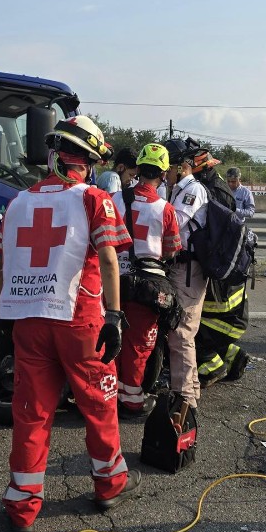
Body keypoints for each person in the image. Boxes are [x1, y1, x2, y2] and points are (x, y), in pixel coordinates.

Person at [0, 115, 141, 532]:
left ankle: (22, 505)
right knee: (98, 405)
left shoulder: (17, 201)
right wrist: (114, 316)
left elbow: (4, 264)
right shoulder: (94, 199)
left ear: (54, 154)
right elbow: (110, 259)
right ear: (89, 160)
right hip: (80, 321)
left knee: (31, 412)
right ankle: (110, 483)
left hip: (29, 320)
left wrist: (10, 314)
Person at [111, 143, 181, 418]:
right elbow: (172, 248)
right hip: (148, 285)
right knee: (139, 343)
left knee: (110, 335)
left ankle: (107, 392)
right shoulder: (165, 209)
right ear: (163, 175)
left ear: (138, 169)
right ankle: (131, 398)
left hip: (114, 279)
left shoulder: (114, 198)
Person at [192, 155, 251, 387]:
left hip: (219, 279)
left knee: (198, 328)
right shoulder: (217, 186)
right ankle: (233, 356)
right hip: (227, 278)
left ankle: (212, 367)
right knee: (211, 326)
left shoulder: (210, 192)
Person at [163, 138, 209, 410]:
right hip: (178, 267)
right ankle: (188, 391)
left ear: (181, 167)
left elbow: (174, 223)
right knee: (178, 331)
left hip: (189, 269)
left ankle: (185, 400)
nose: (163, 173)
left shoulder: (192, 191)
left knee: (181, 333)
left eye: (166, 168)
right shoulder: (176, 189)